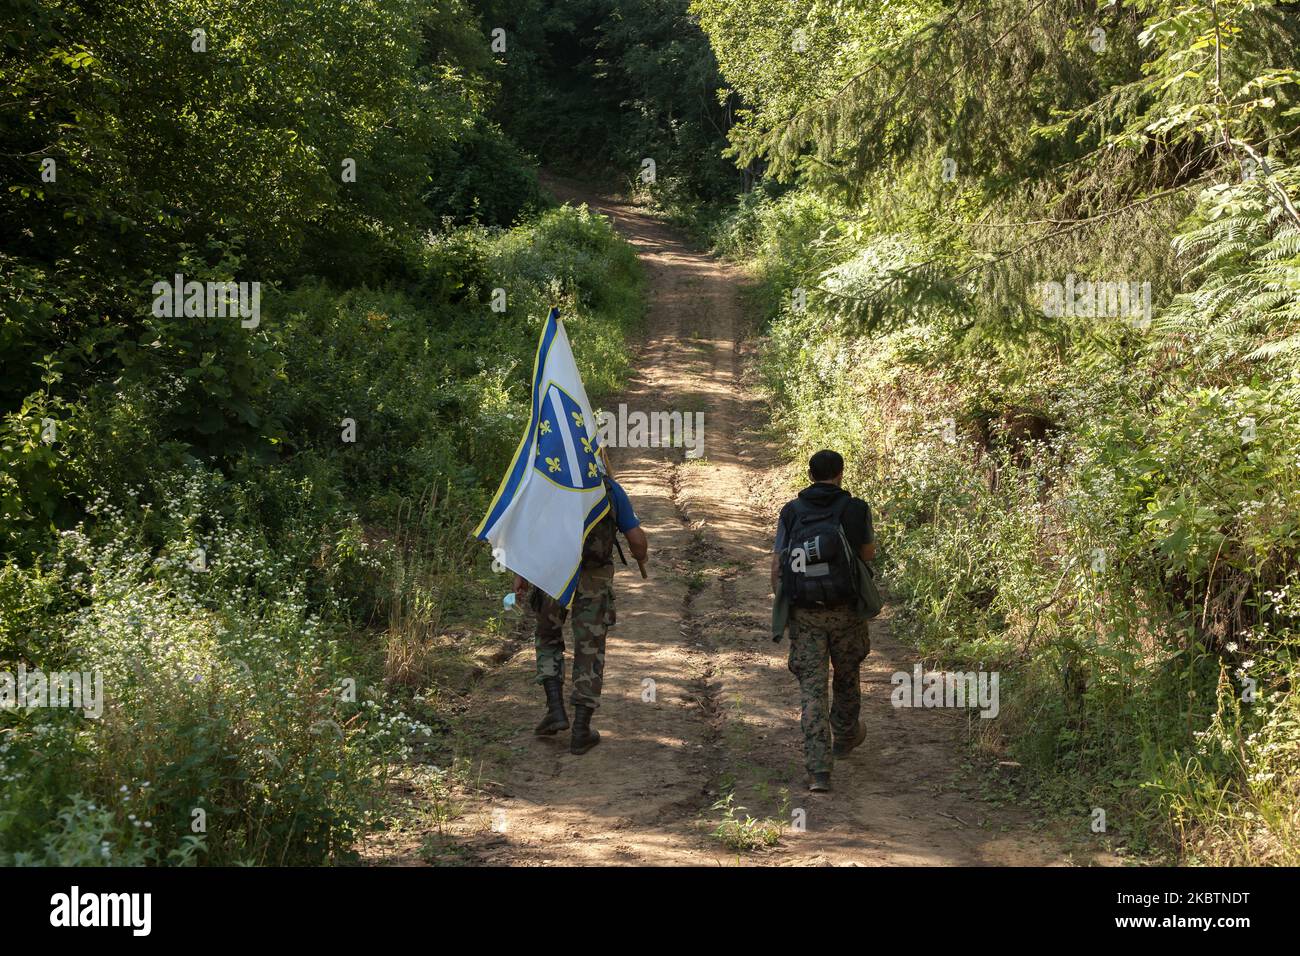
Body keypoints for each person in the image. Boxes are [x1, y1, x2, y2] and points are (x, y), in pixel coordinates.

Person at [513, 475, 648, 755]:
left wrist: (521, 573)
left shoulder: (545, 483)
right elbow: (636, 538)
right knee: (590, 648)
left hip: (550, 574)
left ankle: (555, 710)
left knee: (548, 638)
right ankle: (581, 729)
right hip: (594, 579)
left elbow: (529, 533)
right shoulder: (607, 488)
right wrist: (641, 556)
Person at [771, 449, 876, 793]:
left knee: (812, 689)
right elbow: (866, 556)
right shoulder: (856, 509)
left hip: (806, 613)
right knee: (847, 676)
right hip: (846, 612)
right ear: (840, 474)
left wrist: (787, 606)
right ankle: (844, 737)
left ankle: (819, 771)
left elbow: (777, 567)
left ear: (810, 474)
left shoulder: (791, 512)